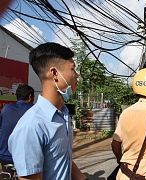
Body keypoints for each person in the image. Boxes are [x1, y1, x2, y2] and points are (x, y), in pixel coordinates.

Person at [8, 42, 87, 180]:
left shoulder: (63, 115)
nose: (77, 75)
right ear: (55, 73)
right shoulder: (32, 126)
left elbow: (63, 159)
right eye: (73, 69)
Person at [0, 83, 34, 177]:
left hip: (4, 156)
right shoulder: (34, 110)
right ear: (30, 96)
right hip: (25, 159)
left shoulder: (6, 109)